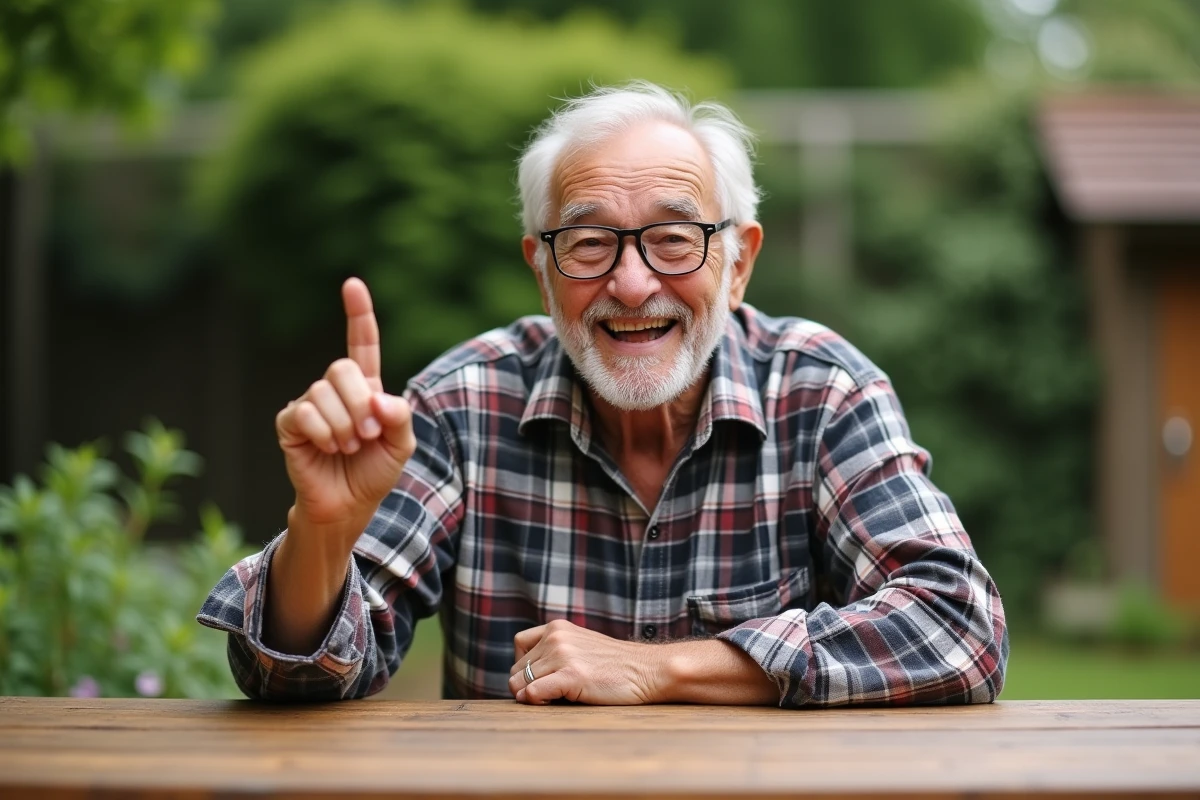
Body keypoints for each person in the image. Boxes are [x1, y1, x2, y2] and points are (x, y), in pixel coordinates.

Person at [198, 82, 1008, 706]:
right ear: (541, 268)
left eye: (672, 238)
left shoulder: (822, 391)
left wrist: (659, 671)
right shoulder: (459, 404)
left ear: (739, 263)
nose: (630, 282)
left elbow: (958, 627)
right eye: (588, 243)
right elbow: (293, 679)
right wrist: (324, 533)